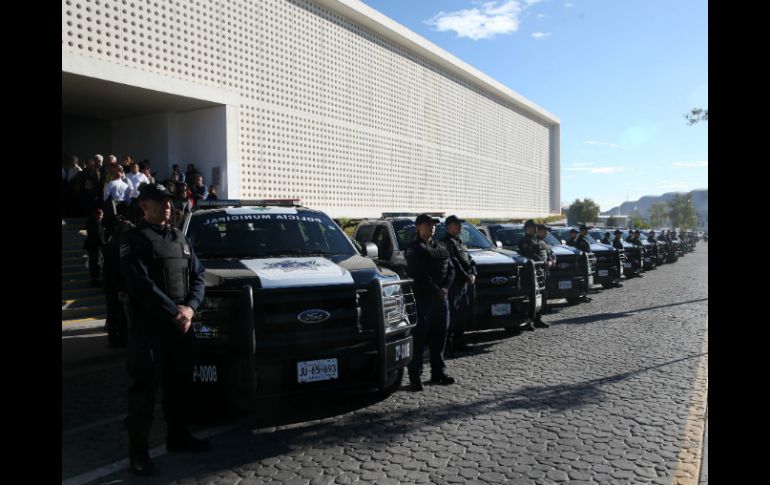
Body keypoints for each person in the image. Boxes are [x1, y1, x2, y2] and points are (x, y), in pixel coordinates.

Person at [120, 183, 209, 475]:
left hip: (180, 327)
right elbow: (141, 285)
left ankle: (179, 437)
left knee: (179, 386)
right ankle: (138, 453)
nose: (167, 206)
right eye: (160, 202)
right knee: (144, 393)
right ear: (144, 205)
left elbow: (198, 275)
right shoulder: (134, 239)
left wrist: (190, 308)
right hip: (150, 330)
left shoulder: (179, 237)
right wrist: (175, 312)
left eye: (169, 201)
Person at [406, 213, 456, 391]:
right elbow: (419, 274)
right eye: (428, 225)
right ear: (418, 227)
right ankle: (415, 376)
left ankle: (438, 371)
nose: (432, 227)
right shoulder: (414, 248)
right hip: (424, 299)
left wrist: (445, 289)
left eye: (433, 225)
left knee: (440, 335)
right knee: (420, 338)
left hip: (441, 299)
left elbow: (451, 269)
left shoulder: (441, 245)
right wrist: (437, 290)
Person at [441, 215, 477, 353]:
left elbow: (470, 259)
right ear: (449, 227)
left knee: (462, 314)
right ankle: (448, 345)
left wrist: (473, 273)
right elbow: (453, 263)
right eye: (457, 225)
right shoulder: (446, 242)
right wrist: (466, 276)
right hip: (454, 284)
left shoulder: (460, 241)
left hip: (464, 284)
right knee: (453, 314)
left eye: (460, 225)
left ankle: (459, 342)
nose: (460, 227)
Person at [103, 216, 134, 347]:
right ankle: (121, 338)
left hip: (109, 282)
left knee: (112, 311)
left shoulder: (111, 241)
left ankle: (113, 337)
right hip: (118, 283)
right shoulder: (121, 243)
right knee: (120, 313)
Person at [516, 220, 549, 328]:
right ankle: (529, 320)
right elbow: (529, 253)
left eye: (535, 227)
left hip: (540, 271)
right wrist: (542, 261)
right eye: (533, 227)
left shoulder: (538, 240)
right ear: (527, 228)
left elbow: (546, 251)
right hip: (529, 273)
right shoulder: (524, 241)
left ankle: (538, 318)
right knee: (531, 296)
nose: (535, 229)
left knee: (542, 294)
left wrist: (549, 260)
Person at [83, 208, 107, 286]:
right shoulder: (97, 223)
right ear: (97, 215)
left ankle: (94, 278)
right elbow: (99, 235)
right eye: (101, 215)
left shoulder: (90, 222)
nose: (102, 217)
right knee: (96, 262)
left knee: (93, 262)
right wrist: (103, 244)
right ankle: (95, 279)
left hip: (90, 245)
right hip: (95, 245)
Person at [536, 224, 556, 314]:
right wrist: (546, 263)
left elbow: (551, 253)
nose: (546, 233)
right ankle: (541, 308)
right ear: (539, 231)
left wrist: (552, 261)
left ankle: (545, 306)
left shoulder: (544, 242)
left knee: (546, 289)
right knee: (541, 290)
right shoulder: (536, 242)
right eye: (544, 231)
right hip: (540, 270)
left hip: (547, 269)